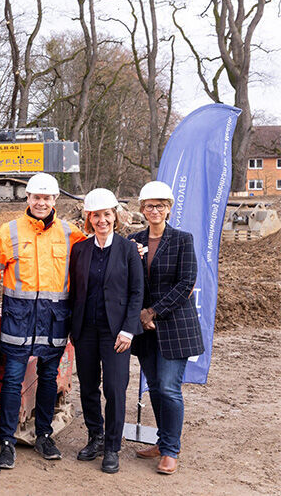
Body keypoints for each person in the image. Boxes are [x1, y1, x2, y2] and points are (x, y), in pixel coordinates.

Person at [0, 172, 86, 468]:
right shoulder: (9, 232)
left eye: (47, 198)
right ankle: (6, 442)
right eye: (36, 197)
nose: (41, 202)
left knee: (48, 380)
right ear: (27, 198)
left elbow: (89, 271)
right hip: (18, 322)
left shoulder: (71, 234)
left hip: (55, 321)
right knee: (13, 380)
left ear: (55, 200)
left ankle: (43, 435)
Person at [128, 181, 205, 475]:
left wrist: (153, 312)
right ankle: (162, 441)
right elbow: (128, 281)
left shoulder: (183, 240)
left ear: (169, 209)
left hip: (174, 325)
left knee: (171, 388)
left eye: (160, 205)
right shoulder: (133, 240)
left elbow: (186, 283)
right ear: (142, 209)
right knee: (156, 388)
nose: (155, 210)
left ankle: (171, 450)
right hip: (145, 329)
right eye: (149, 205)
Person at [67, 188, 143, 473]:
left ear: (115, 216)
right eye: (96, 215)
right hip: (85, 330)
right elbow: (74, 290)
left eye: (106, 215)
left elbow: (137, 292)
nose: (102, 220)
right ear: (89, 218)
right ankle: (95, 437)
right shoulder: (80, 249)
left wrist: (128, 330)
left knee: (114, 388)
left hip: (116, 334)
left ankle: (112, 447)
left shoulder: (127, 249)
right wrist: (73, 327)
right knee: (88, 387)